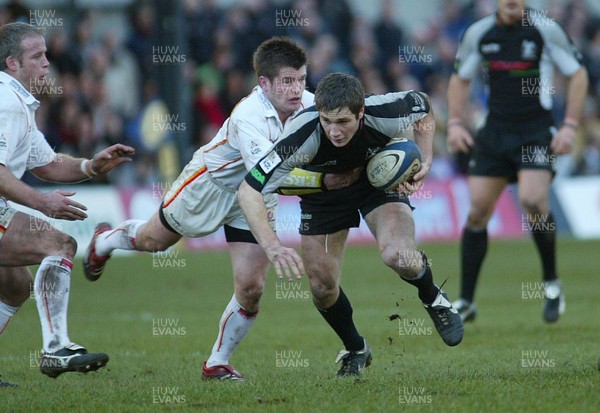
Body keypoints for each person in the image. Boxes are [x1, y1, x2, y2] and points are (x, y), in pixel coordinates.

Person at [83, 37, 353, 380]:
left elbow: (262, 186)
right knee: (154, 241)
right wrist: (322, 185)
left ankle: (217, 362)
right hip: (210, 185)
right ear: (264, 83)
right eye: (287, 81)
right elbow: (268, 177)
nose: (296, 88)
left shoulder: (312, 106)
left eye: (301, 79)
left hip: (254, 199)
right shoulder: (248, 117)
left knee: (252, 287)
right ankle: (105, 240)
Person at [237, 72, 464, 377]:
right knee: (321, 286)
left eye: (343, 122)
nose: (334, 131)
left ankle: (432, 297)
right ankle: (356, 348)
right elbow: (249, 189)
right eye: (327, 121)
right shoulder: (299, 138)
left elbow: (423, 106)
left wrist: (425, 160)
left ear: (361, 112)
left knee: (400, 256)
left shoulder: (387, 112)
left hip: (376, 178)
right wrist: (272, 245)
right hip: (323, 192)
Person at [0, 22, 135, 381]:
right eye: (37, 56)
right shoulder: (6, 103)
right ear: (12, 63)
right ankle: (56, 348)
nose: (47, 62)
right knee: (58, 244)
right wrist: (43, 204)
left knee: (14, 286)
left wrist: (92, 165)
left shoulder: (18, 103)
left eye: (46, 53)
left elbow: (46, 163)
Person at [446, 0, 589, 323]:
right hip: (494, 133)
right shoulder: (479, 33)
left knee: (533, 200)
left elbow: (578, 74)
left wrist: (569, 126)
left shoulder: (545, 29)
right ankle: (467, 301)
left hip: (535, 131)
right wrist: (455, 123)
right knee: (477, 211)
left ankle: (552, 284)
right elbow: (459, 79)